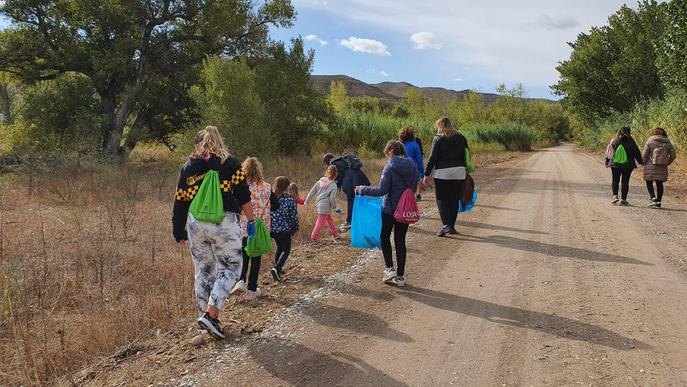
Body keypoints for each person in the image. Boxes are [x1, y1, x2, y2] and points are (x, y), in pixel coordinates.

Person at [172, 126, 256, 340]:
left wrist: (178, 230)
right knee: (231, 268)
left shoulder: (189, 167)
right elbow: (243, 194)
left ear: (197, 145)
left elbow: (180, 201)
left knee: (203, 272)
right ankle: (212, 314)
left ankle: (203, 326)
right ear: (220, 140)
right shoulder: (231, 163)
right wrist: (252, 220)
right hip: (223, 222)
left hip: (195, 223)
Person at [356, 140, 419, 287]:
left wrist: (363, 189)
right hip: (405, 210)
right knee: (400, 240)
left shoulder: (389, 167)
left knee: (384, 237)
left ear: (390, 152)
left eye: (386, 154)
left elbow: (382, 191)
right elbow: (415, 186)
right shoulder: (412, 166)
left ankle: (390, 269)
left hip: (390, 210)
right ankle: (401, 277)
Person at [231, 157, 278, 300]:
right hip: (261, 227)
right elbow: (276, 206)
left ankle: (240, 280)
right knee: (256, 256)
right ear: (259, 170)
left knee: (244, 253)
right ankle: (252, 290)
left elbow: (237, 206)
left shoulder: (242, 187)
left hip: (245, 225)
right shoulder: (268, 187)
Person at [423, 117, 469, 237]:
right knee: (454, 199)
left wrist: (426, 174)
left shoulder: (438, 139)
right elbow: (467, 154)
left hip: (443, 172)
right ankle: (450, 227)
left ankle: (445, 226)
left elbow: (432, 157)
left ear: (441, 126)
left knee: (442, 199)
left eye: (438, 126)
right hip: (459, 172)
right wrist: (466, 171)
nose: (438, 129)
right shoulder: (462, 137)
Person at [324, 152, 371, 228]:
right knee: (360, 200)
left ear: (326, 161)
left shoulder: (332, 164)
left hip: (350, 180)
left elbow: (334, 178)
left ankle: (349, 221)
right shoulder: (342, 160)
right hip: (360, 178)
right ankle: (362, 221)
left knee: (351, 200)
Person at [270, 176, 299, 281]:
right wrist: (295, 227)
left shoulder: (271, 198)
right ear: (287, 186)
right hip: (285, 229)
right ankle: (277, 268)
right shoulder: (289, 200)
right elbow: (293, 216)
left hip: (273, 229)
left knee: (279, 247)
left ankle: (277, 269)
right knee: (286, 249)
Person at [605, 126, 643, 206]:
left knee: (615, 180)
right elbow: (637, 153)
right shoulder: (632, 142)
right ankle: (623, 199)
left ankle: (615, 196)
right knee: (625, 181)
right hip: (628, 165)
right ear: (629, 132)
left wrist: (607, 161)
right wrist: (641, 162)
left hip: (615, 164)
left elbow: (609, 152)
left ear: (619, 132)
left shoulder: (614, 141)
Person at [642, 127, 676, 208]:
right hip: (662, 166)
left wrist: (643, 162)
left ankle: (653, 198)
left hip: (650, 165)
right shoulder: (668, 142)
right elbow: (673, 156)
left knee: (649, 181)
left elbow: (645, 153)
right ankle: (659, 202)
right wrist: (667, 163)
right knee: (659, 183)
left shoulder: (650, 140)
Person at [305, 165, 341, 242]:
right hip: (326, 206)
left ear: (327, 172)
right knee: (320, 222)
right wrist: (336, 208)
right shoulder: (333, 185)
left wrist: (306, 201)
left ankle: (335, 233)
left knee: (329, 219)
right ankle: (313, 237)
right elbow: (332, 199)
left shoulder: (319, 182)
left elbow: (312, 192)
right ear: (336, 174)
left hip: (319, 204)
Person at [399, 126, 425, 201]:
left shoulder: (398, 144)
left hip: (400, 168)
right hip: (412, 168)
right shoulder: (415, 145)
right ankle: (416, 196)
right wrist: (422, 173)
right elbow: (419, 160)